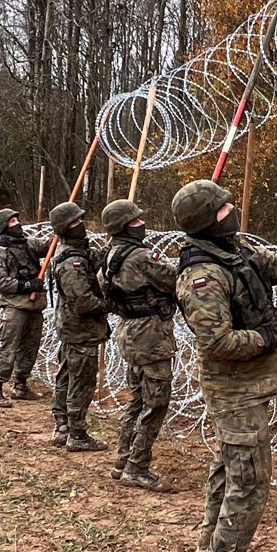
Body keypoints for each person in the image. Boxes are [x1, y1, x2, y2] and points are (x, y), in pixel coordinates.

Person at [171, 179, 277, 552]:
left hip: (251, 384)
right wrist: (269, 338)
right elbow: (217, 342)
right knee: (251, 477)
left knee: (230, 467)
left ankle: (213, 544)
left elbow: (273, 267)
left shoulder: (231, 251)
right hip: (233, 389)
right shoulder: (202, 276)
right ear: (206, 221)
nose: (231, 212)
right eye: (222, 210)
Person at [97, 199, 178, 491]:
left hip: (130, 332)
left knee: (137, 400)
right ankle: (137, 466)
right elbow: (174, 278)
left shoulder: (110, 255)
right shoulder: (140, 257)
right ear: (123, 227)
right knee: (155, 402)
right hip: (150, 337)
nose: (141, 224)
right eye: (135, 221)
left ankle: (122, 459)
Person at [48, 201, 110, 452]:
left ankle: (62, 424)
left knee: (67, 373)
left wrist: (113, 246)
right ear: (65, 228)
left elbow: (94, 260)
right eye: (75, 223)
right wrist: (109, 305)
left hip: (72, 327)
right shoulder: (70, 262)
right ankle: (76, 432)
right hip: (80, 328)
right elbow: (84, 302)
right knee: (82, 380)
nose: (81, 226)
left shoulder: (76, 252)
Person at [0, 208, 49, 406]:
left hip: (35, 306)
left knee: (30, 348)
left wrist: (61, 230)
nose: (17, 224)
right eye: (12, 221)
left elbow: (49, 247)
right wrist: (27, 285)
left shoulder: (28, 244)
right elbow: (0, 281)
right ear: (4, 227)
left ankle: (21, 386)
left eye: (17, 220)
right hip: (14, 307)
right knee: (9, 348)